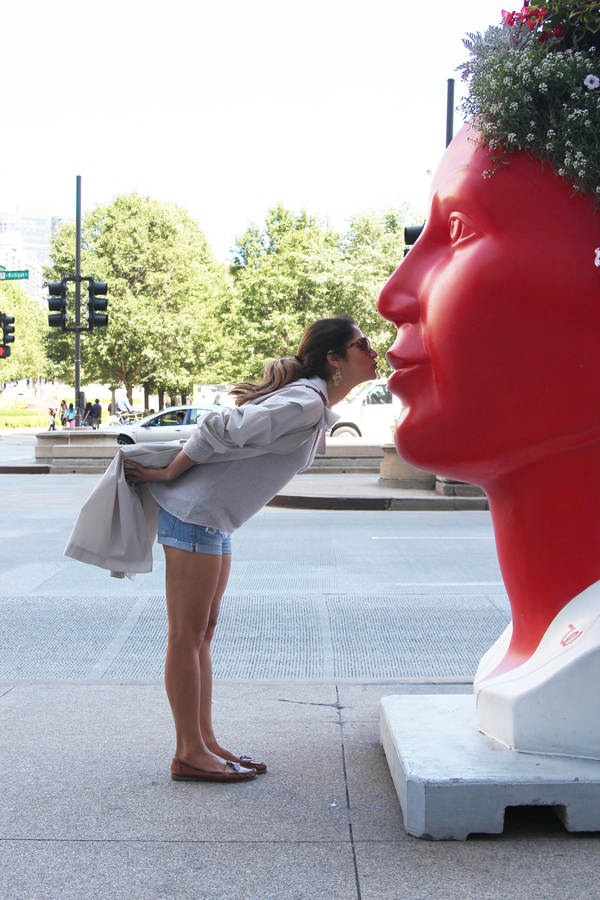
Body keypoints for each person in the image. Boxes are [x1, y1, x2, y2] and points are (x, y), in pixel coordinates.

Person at [124, 316, 378, 782]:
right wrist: (168, 474)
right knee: (187, 635)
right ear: (334, 359)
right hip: (195, 513)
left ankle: (204, 742)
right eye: (363, 343)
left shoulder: (312, 403)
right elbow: (220, 425)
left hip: (214, 520)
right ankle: (188, 752)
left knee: (202, 632)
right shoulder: (304, 401)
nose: (374, 349)